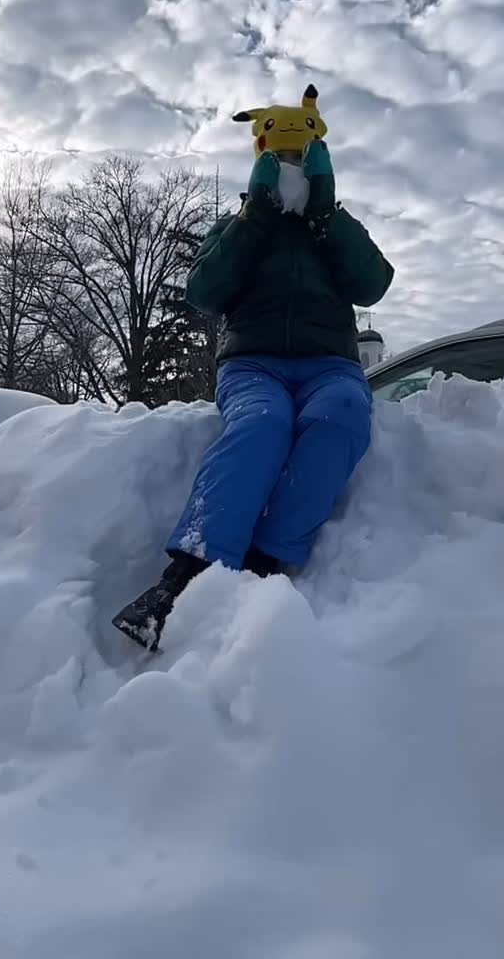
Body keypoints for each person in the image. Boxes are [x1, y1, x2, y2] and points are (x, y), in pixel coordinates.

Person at [113, 86, 394, 650]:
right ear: (263, 162)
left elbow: (374, 283)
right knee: (261, 423)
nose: (291, 170)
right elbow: (204, 291)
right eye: (281, 161)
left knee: (340, 415)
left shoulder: (334, 227)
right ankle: (184, 576)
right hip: (253, 365)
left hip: (330, 366)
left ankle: (265, 565)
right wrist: (256, 217)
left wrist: (324, 214)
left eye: (299, 161)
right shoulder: (237, 226)